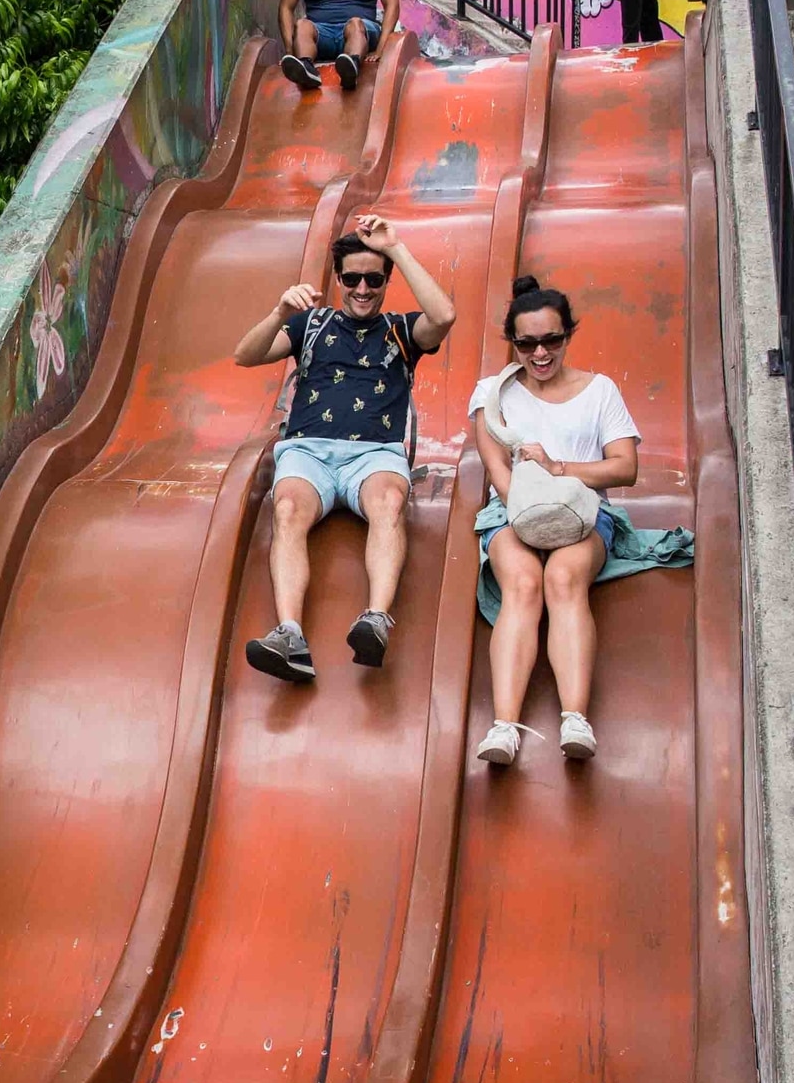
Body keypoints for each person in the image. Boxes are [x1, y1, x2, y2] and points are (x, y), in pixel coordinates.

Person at [234, 213, 459, 683]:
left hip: (374, 454)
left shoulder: (402, 331)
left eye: (374, 279)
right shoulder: (311, 325)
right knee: (287, 508)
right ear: (338, 279)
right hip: (309, 451)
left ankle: (376, 618)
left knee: (389, 501)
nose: (362, 288)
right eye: (352, 278)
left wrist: (396, 249)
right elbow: (245, 355)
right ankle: (290, 635)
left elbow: (444, 316)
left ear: (386, 281)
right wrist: (280, 312)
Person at [469, 278, 642, 765]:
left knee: (563, 577)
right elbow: (498, 471)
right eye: (527, 344)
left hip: (584, 510)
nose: (540, 353)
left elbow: (625, 467)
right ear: (512, 342)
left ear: (568, 335)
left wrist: (559, 469)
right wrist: (530, 510)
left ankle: (575, 718)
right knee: (523, 583)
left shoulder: (599, 390)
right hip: (513, 511)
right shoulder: (493, 394)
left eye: (552, 340)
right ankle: (504, 726)